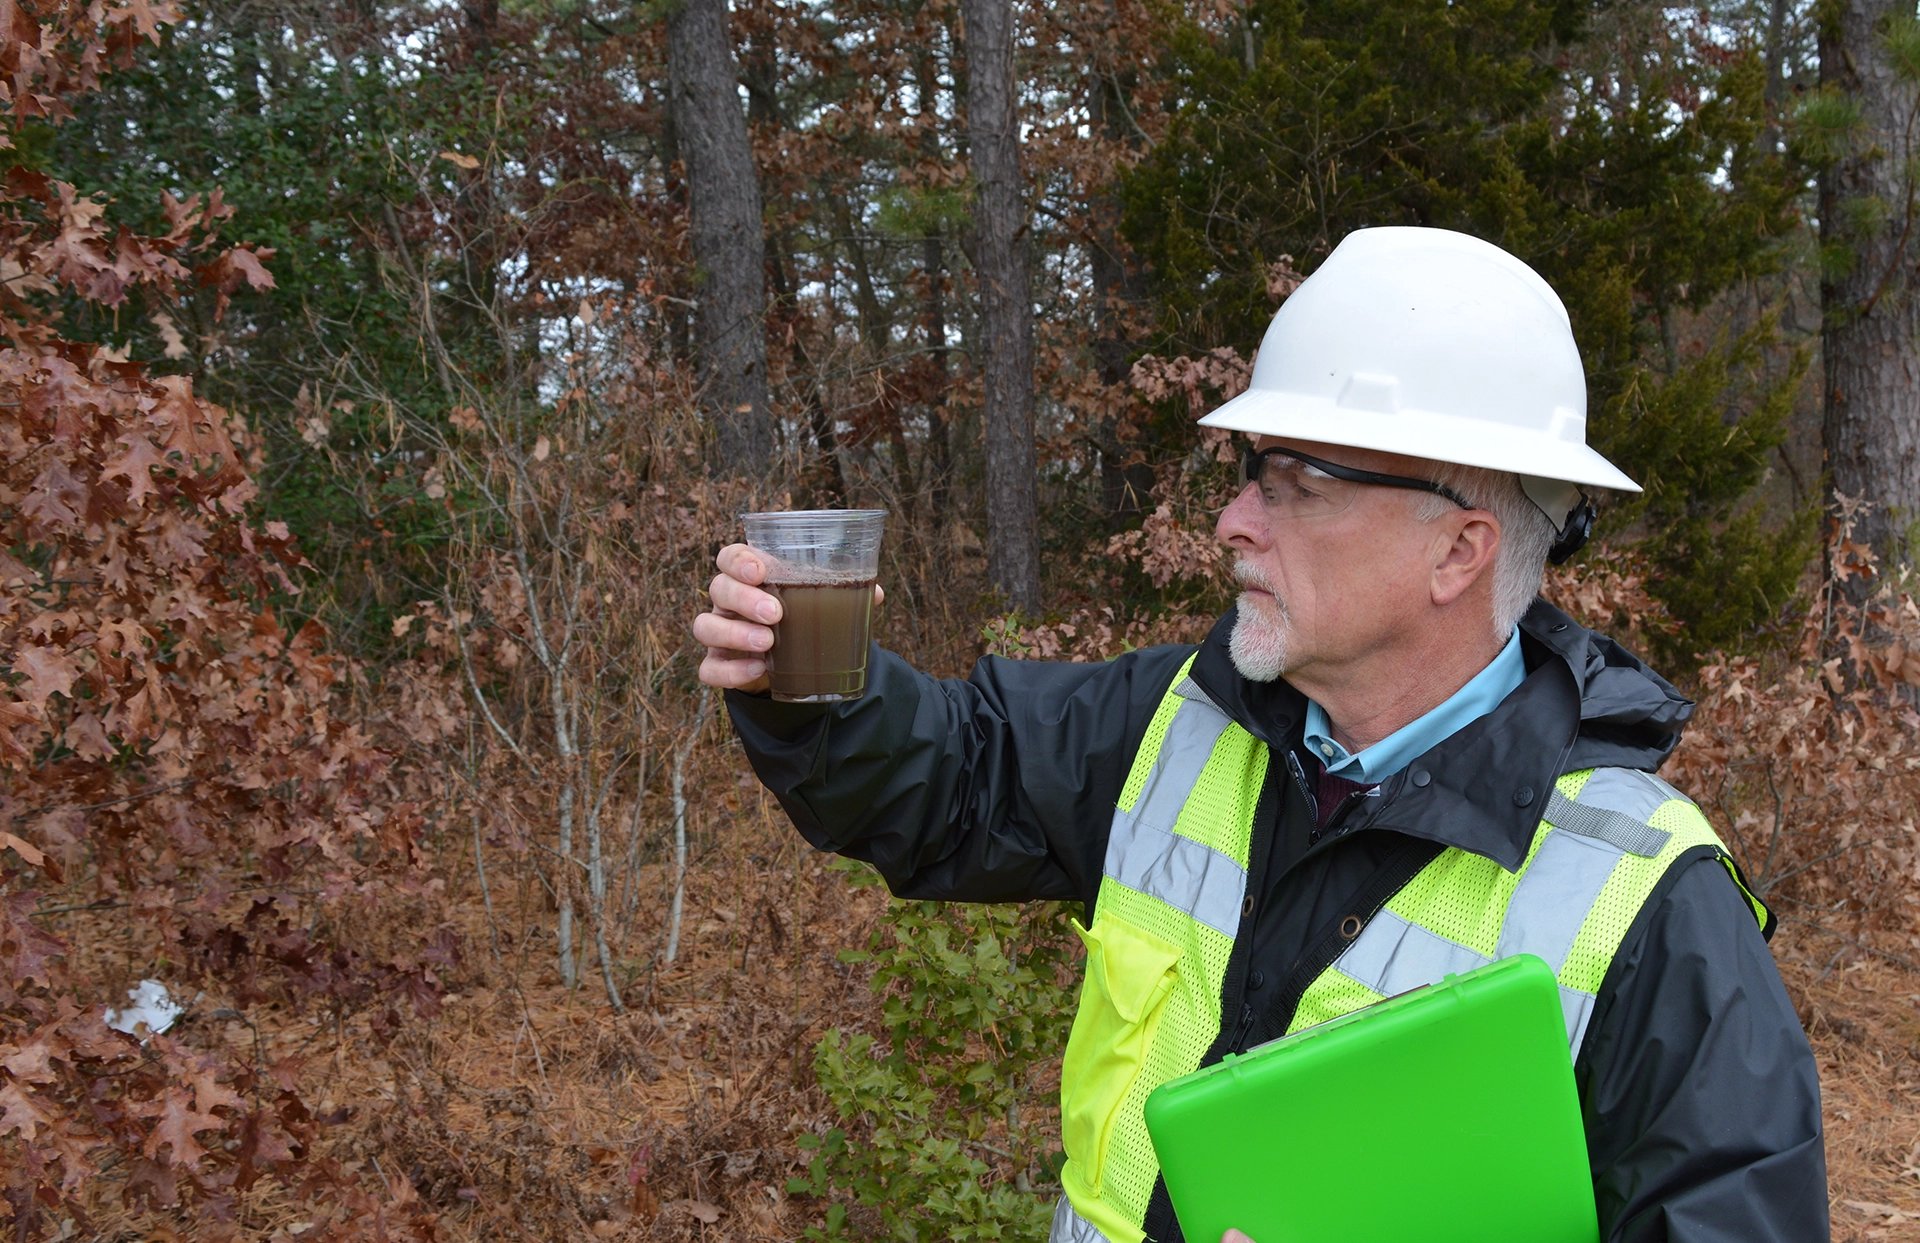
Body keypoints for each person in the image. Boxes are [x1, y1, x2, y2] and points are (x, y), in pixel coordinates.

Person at [692, 227, 1829, 1243]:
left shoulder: (1650, 905)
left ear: (1458, 552)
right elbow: (944, 776)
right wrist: (808, 684)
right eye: (1248, 474)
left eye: (1296, 483)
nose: (1233, 521)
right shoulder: (1179, 720)